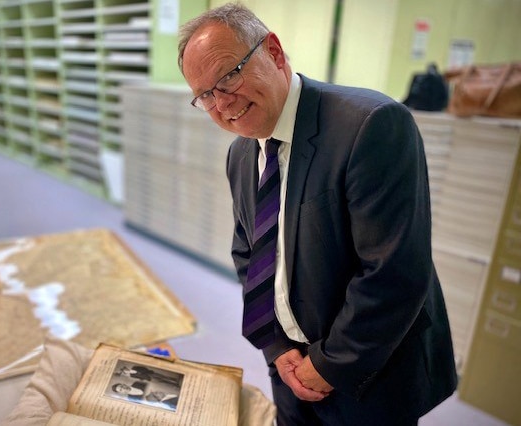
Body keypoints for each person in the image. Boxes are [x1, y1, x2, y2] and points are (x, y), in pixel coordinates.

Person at [177, 3, 457, 425]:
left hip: (369, 374)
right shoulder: (241, 153)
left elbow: (394, 273)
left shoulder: (370, 126)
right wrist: (276, 346)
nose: (222, 104)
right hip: (289, 366)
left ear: (273, 51)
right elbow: (248, 254)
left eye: (229, 75)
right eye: (205, 95)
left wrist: (327, 365)